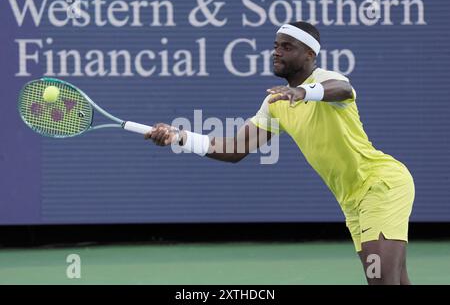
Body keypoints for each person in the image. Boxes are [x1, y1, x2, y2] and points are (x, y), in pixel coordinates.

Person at [145, 21, 415, 285]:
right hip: (352, 201)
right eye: (276, 46)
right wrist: (180, 136)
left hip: (380, 186)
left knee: (380, 278)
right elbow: (235, 149)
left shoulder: (325, 81)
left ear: (309, 54)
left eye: (287, 47)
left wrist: (302, 91)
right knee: (394, 280)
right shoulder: (275, 103)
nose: (276, 52)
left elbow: (343, 89)